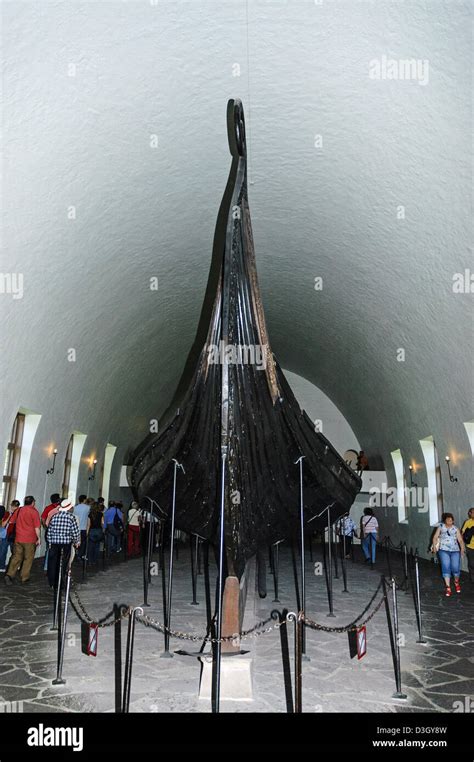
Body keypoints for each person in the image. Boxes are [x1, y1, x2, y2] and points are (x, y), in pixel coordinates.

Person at [4, 496, 41, 584]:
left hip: (18, 538)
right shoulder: (34, 511)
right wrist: (39, 538)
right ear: (33, 502)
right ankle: (24, 577)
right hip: (30, 539)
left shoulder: (19, 510)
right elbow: (37, 527)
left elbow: (11, 521)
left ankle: (9, 575)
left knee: (16, 557)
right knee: (28, 558)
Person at [46, 498, 80, 589]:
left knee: (53, 563)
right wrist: (77, 541)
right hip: (65, 544)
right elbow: (75, 531)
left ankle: (52, 582)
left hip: (54, 543)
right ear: (69, 508)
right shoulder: (71, 517)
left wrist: (49, 542)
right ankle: (60, 583)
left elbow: (50, 531)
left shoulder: (55, 516)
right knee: (63, 563)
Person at [431, 513, 466, 596]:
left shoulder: (455, 529)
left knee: (455, 567)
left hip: (455, 550)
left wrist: (462, 549)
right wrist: (435, 546)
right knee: (446, 566)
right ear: (445, 520)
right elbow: (435, 537)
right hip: (443, 550)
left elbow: (460, 540)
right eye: (448, 520)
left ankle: (456, 582)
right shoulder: (441, 527)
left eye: (451, 520)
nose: (449, 521)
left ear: (453, 521)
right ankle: (448, 587)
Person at [41, 493, 61, 572]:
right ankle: (55, 566)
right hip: (58, 531)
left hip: (49, 530)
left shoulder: (48, 508)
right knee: (57, 549)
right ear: (58, 500)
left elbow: (43, 518)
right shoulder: (60, 509)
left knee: (49, 548)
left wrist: (46, 527)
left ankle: (46, 566)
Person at [73, 494, 90, 560]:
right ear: (84, 500)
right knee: (83, 543)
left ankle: (75, 554)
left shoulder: (75, 507)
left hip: (76, 528)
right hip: (83, 528)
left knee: (75, 542)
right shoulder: (88, 508)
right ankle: (80, 555)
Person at [461, 507, 474, 583]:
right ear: (470, 514)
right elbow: (462, 533)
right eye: (472, 512)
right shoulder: (468, 522)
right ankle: (473, 579)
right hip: (470, 547)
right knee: (472, 564)